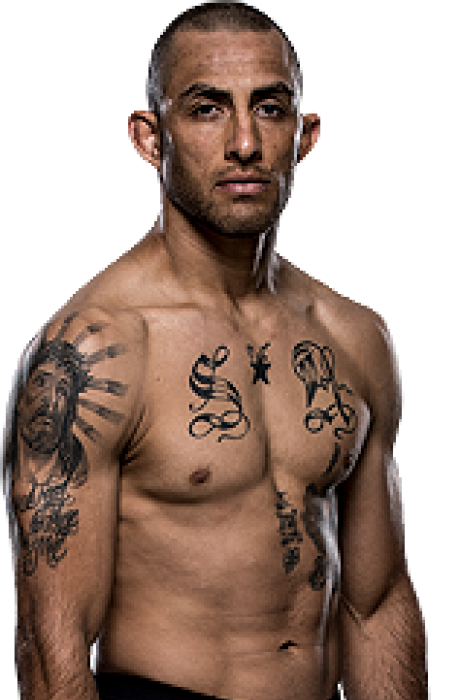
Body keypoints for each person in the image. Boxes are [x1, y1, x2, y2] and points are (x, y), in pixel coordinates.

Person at [5, 1, 428, 699]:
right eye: (207, 110)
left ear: (305, 135)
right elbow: (54, 649)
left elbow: (376, 603)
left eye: (270, 109)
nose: (244, 143)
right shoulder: (99, 350)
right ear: (149, 138)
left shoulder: (352, 336)